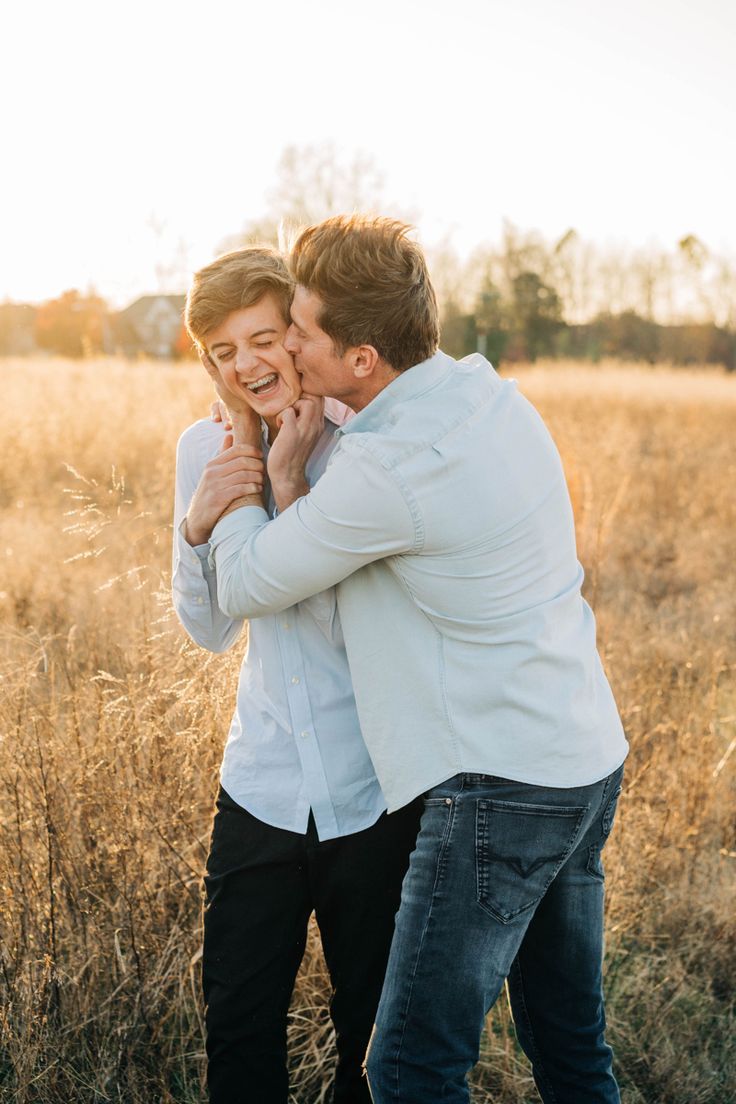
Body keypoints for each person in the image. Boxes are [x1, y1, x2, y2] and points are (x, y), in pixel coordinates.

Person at [205, 216, 630, 1104]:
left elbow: (243, 584)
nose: (284, 343)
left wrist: (242, 469)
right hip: (584, 761)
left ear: (361, 358)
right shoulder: (482, 395)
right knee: (571, 1045)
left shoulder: (386, 466)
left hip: (500, 791)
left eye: (302, 331)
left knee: (408, 1069)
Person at [171, 245, 420, 1104]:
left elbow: (359, 620)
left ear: (301, 337)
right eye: (222, 352)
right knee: (237, 1029)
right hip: (261, 787)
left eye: (263, 339)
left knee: (373, 1038)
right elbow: (207, 628)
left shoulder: (364, 448)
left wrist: (282, 489)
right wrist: (198, 526)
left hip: (372, 790)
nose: (245, 366)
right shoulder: (202, 448)